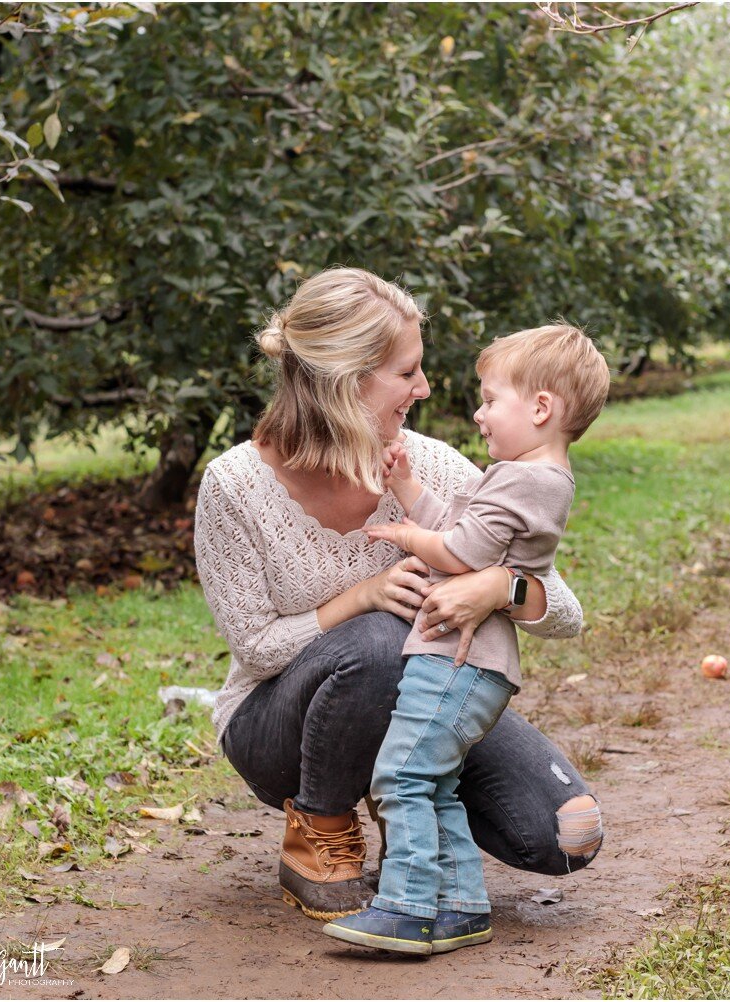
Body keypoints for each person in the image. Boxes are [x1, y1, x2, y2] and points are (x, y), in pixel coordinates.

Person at [193, 268, 603, 938]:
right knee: (382, 637)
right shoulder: (235, 487)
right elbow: (257, 648)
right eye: (407, 372)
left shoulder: (430, 468)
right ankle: (320, 832)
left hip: (420, 698)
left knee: (561, 834)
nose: (426, 388)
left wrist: (500, 586)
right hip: (277, 729)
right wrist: (362, 597)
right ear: (345, 380)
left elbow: (567, 609)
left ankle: (405, 813)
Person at [319, 325, 609, 955]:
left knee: (400, 776)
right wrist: (406, 492)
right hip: (471, 661)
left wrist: (401, 538)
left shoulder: (523, 479)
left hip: (457, 660)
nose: (477, 413)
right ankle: (460, 906)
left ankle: (408, 905)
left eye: (490, 398)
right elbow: (465, 529)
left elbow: (459, 549)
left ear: (540, 408)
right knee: (436, 779)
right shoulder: (527, 476)